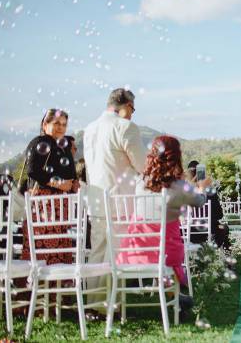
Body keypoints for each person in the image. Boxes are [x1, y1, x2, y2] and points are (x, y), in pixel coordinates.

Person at [116, 136, 210, 302]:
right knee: (171, 246)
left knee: (163, 242)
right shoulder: (180, 187)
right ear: (176, 156)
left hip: (134, 251)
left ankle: (172, 294)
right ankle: (174, 297)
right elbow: (199, 202)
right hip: (166, 253)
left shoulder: (140, 182)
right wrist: (202, 188)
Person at [83, 88, 147, 314]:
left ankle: (93, 304)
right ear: (126, 105)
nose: (132, 114)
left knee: (98, 251)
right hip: (120, 200)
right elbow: (142, 165)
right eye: (132, 109)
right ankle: (110, 305)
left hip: (97, 199)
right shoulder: (125, 127)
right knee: (115, 252)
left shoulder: (89, 128)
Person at [21, 109, 78, 264]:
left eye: (64, 125)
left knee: (59, 243)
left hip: (59, 203)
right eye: (57, 123)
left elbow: (71, 172)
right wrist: (59, 183)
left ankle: (57, 284)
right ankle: (37, 282)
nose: (61, 128)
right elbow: (33, 170)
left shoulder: (63, 146)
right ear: (45, 124)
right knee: (43, 242)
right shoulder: (40, 142)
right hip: (43, 203)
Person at [186, 160, 230, 248]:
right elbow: (219, 215)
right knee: (224, 228)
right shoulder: (210, 192)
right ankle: (221, 254)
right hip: (209, 230)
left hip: (190, 231)